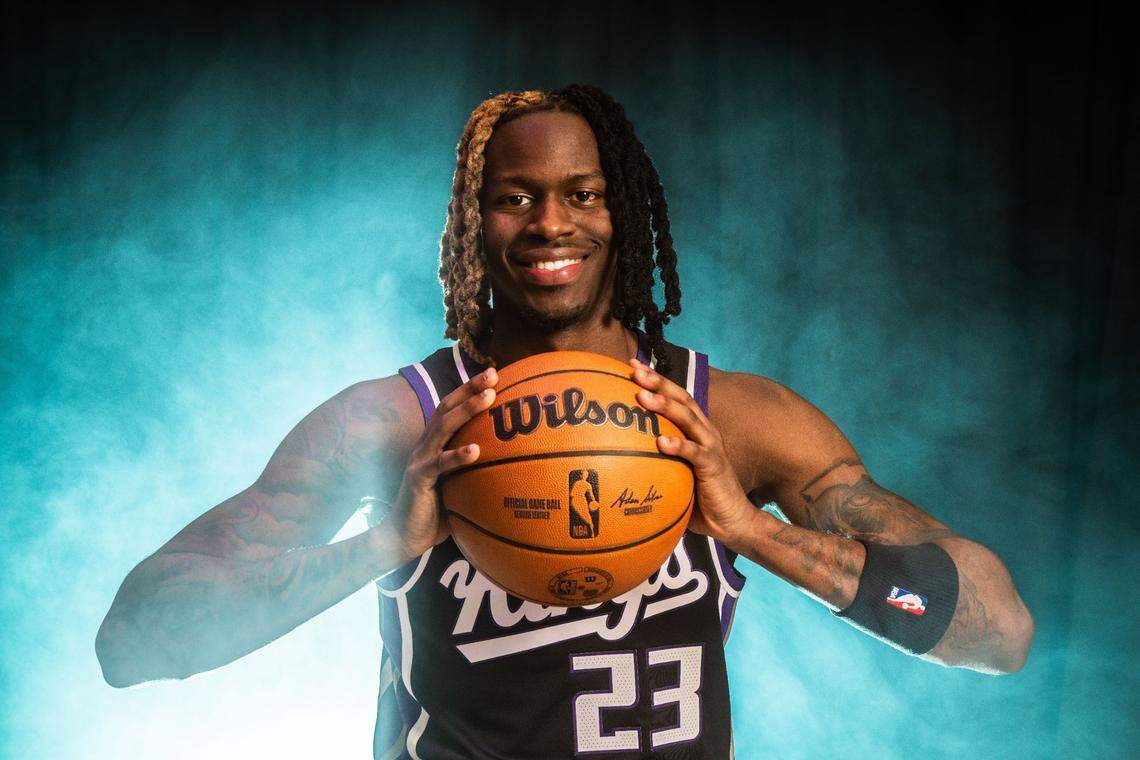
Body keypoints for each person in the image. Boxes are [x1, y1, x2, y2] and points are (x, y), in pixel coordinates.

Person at [95, 85, 1034, 759]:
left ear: (620, 213)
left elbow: (998, 634)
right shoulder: (397, 424)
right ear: (476, 222)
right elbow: (132, 644)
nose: (551, 223)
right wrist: (385, 543)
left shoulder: (734, 420)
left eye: (582, 194)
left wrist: (753, 532)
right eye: (515, 198)